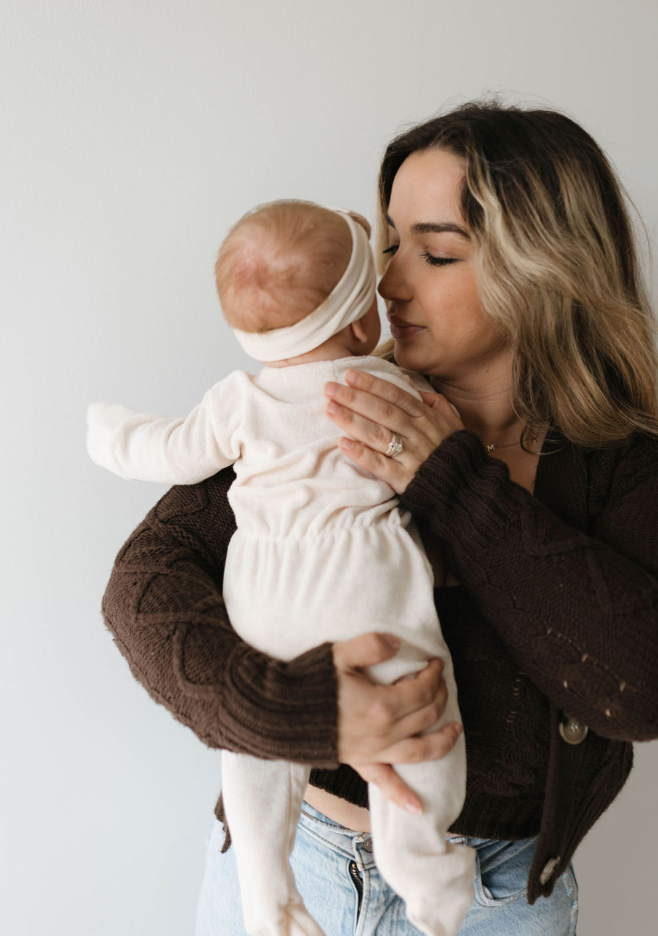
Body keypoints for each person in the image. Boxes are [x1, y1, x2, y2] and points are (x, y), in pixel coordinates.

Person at [98, 100, 658, 936]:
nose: (389, 281)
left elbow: (639, 688)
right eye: (390, 244)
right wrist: (288, 710)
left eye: (435, 252)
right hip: (290, 872)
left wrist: (454, 485)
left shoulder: (622, 458)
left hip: (494, 902)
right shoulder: (329, 399)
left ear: (545, 265)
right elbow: (141, 588)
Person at [87, 200, 475, 936]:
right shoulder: (397, 395)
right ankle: (423, 868)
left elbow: (166, 450)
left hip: (264, 602)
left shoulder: (237, 401)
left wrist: (109, 434)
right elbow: (441, 474)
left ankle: (267, 890)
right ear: (364, 326)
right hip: (369, 597)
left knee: (256, 753)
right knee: (423, 721)